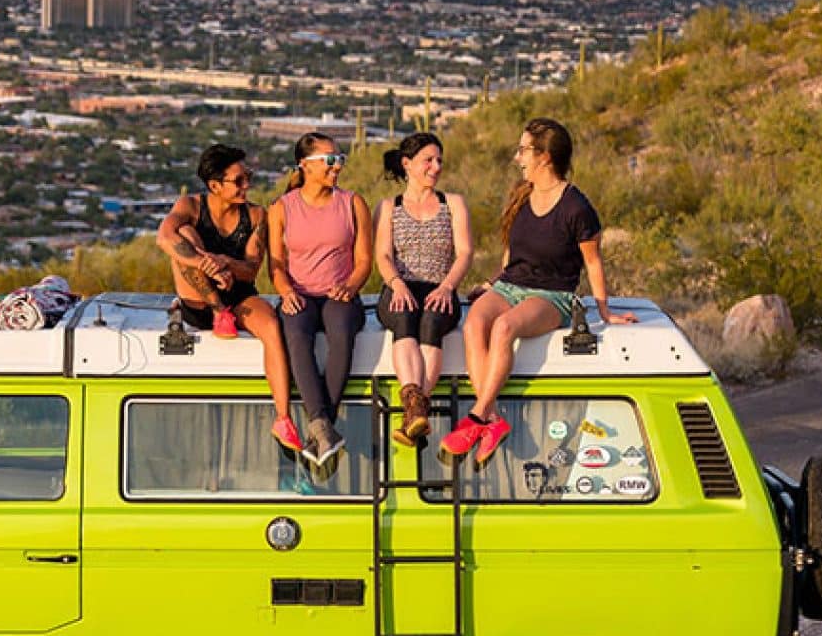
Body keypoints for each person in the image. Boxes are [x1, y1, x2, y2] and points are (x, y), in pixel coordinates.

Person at [440, 117, 637, 465]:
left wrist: (604, 310)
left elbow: (593, 262)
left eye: (523, 150)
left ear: (545, 157)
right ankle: (494, 419)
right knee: (473, 325)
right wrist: (492, 283)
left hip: (551, 295)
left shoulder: (577, 207)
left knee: (503, 328)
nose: (518, 157)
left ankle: (477, 416)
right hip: (510, 284)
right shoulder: (522, 194)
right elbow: (511, 252)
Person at [158, 144, 300, 454]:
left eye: (247, 177)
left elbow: (250, 271)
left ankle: (283, 417)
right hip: (200, 299)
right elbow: (165, 238)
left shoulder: (256, 215)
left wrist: (222, 262)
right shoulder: (191, 207)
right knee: (185, 235)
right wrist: (204, 262)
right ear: (214, 185)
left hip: (238, 294)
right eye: (239, 180)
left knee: (272, 328)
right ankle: (218, 310)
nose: (246, 185)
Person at [268, 132, 372, 466]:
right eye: (329, 160)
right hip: (299, 293)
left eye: (340, 159)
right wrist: (285, 292)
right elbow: (276, 264)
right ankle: (324, 426)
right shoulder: (282, 208)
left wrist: (351, 286)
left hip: (339, 292)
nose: (337, 167)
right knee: (296, 335)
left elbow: (364, 261)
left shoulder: (353, 203)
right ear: (305, 165)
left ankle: (320, 429)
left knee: (341, 331)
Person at [372, 132, 472, 446]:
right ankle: (418, 411)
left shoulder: (453, 203)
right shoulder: (389, 206)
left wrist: (446, 287)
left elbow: (465, 253)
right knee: (404, 317)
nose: (436, 167)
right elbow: (382, 255)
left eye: (439, 160)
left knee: (431, 323)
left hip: (439, 286)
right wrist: (397, 284)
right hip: (399, 286)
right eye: (428, 160)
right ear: (407, 164)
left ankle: (414, 412)